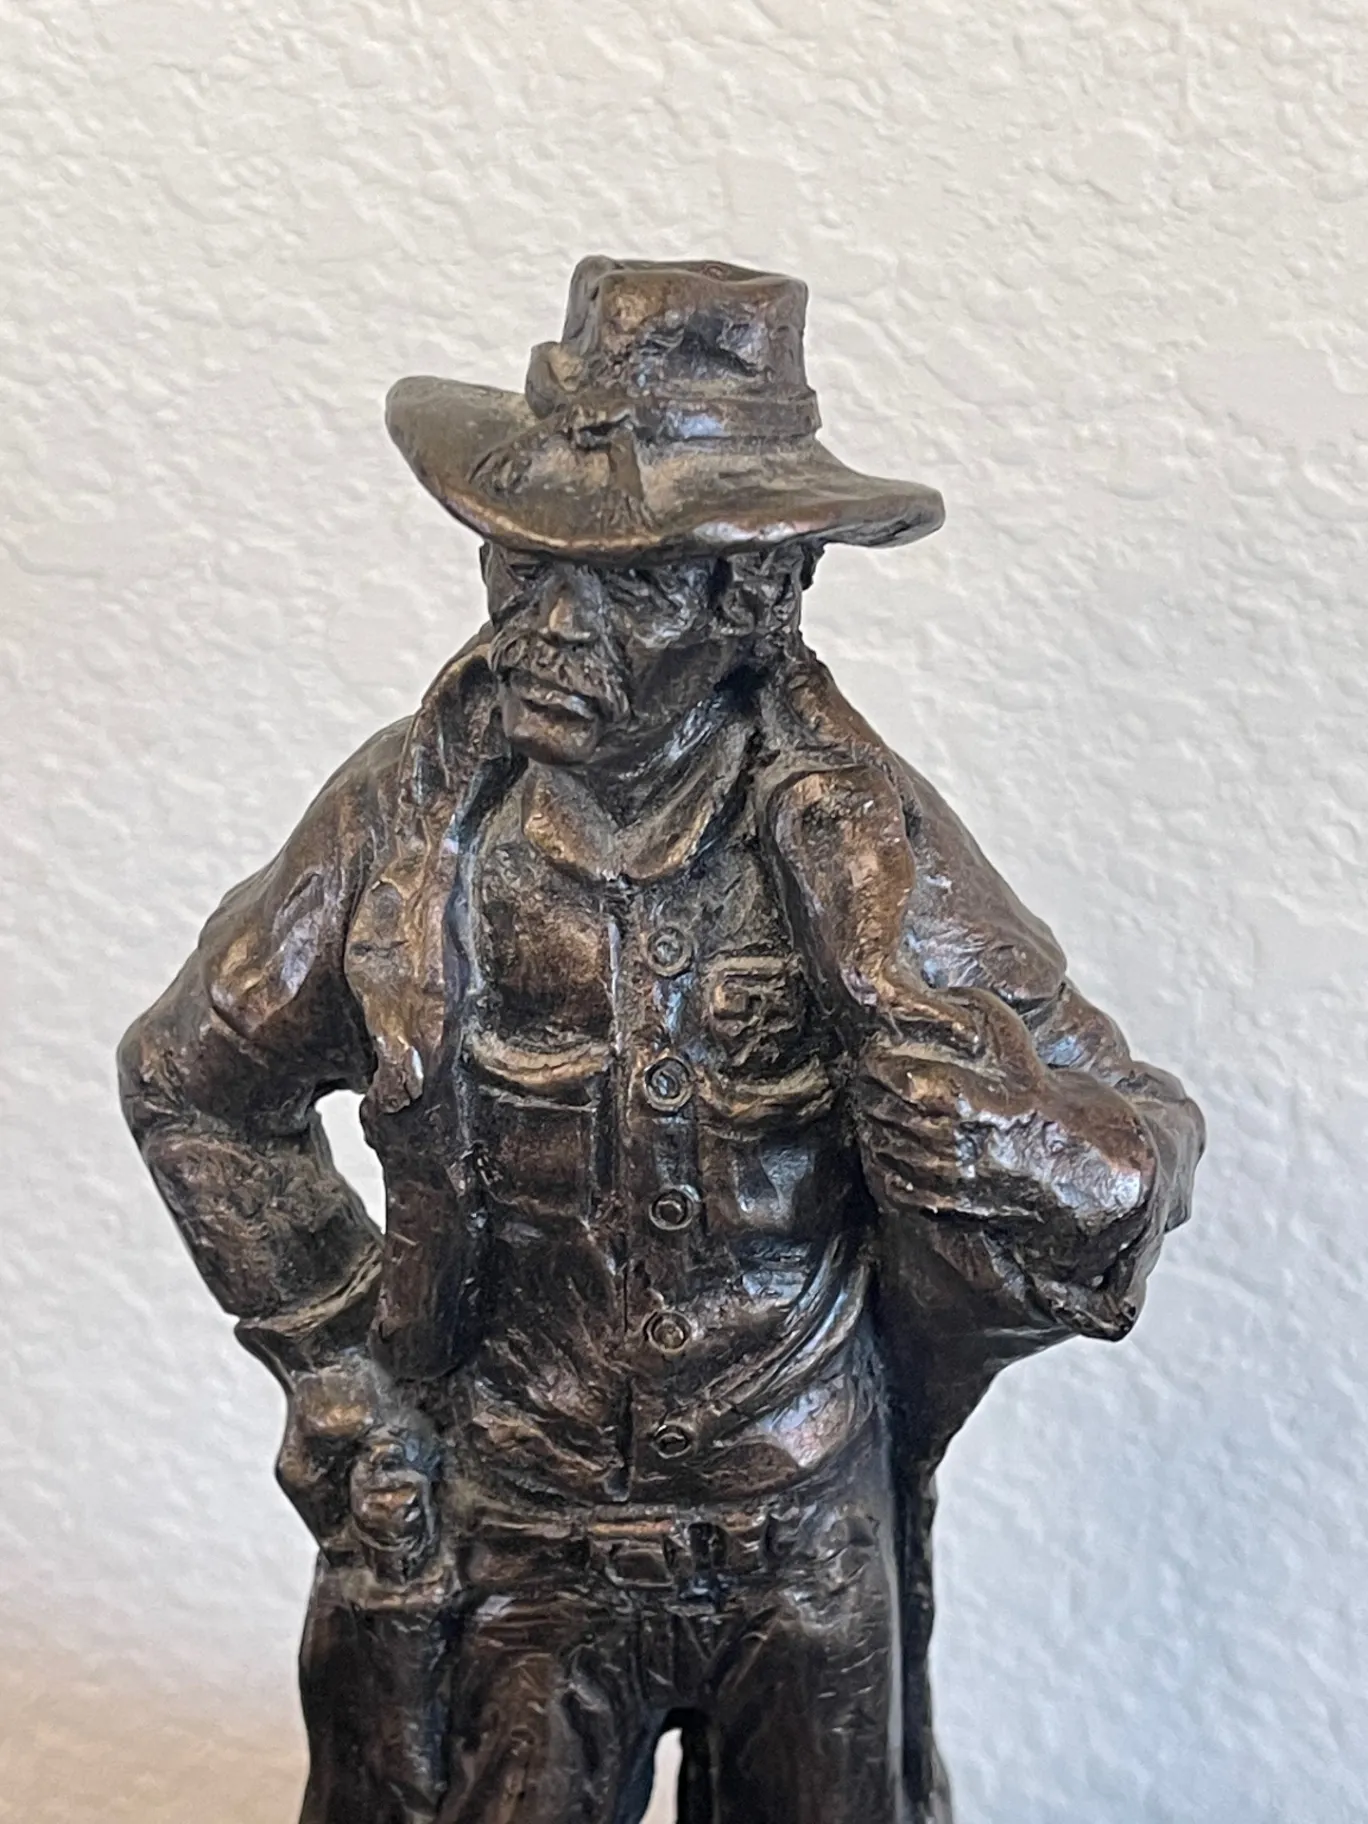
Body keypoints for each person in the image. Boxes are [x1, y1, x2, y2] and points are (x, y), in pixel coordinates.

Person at [119, 257, 1204, 1824]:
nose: (549, 626)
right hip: (517, 1538)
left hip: (799, 1547)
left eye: (622, 583)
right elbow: (192, 1084)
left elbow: (1128, 1138)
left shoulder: (861, 848)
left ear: (753, 594)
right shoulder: (404, 827)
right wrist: (333, 1364)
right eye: (524, 565)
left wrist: (1010, 1136)